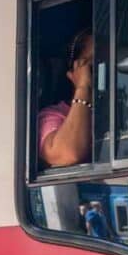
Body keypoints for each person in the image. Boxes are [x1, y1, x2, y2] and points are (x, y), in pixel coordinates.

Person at [38, 29, 95, 170]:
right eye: (93, 64)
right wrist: (83, 88)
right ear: (74, 72)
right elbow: (67, 153)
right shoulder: (53, 115)